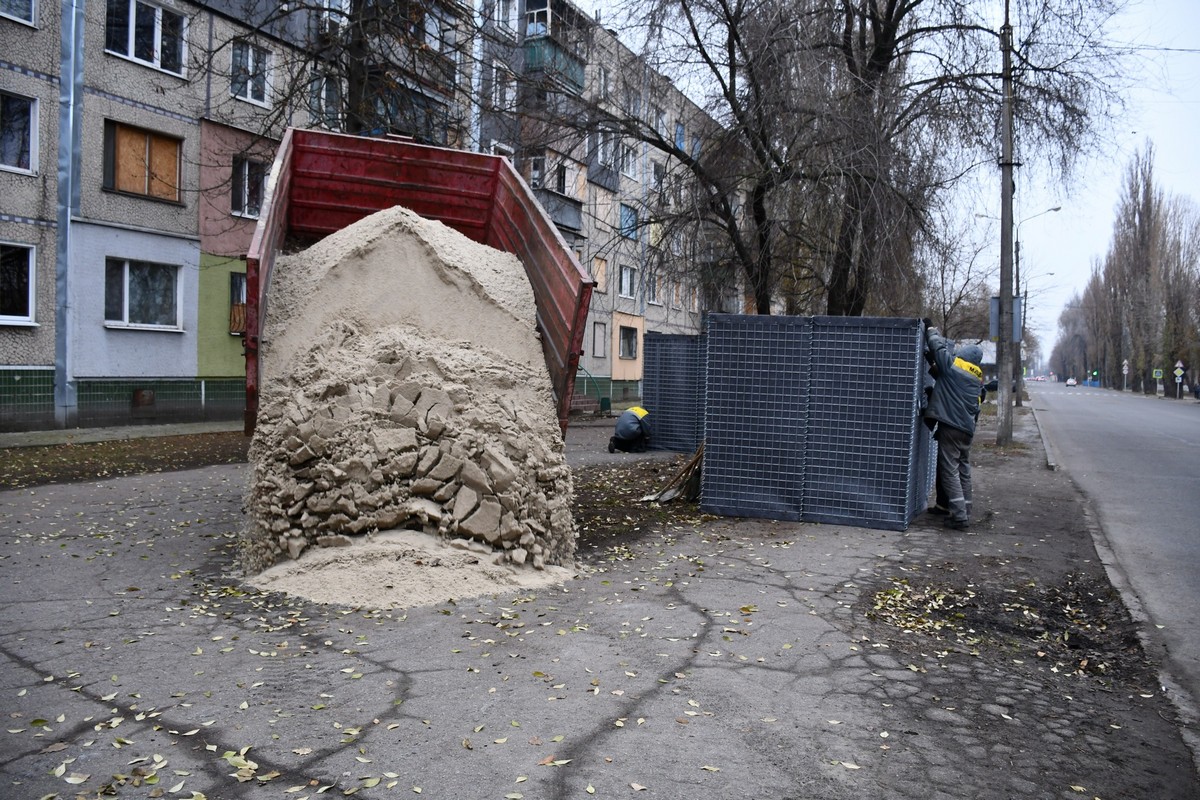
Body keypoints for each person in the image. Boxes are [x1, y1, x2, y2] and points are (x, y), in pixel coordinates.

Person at [921, 319, 984, 530]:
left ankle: (959, 517)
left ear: (963, 355)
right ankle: (965, 510)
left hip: (952, 428)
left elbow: (937, 347)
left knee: (949, 471)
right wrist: (933, 365)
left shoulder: (954, 366)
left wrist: (931, 329)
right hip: (967, 430)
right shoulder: (975, 379)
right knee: (964, 470)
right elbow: (948, 382)